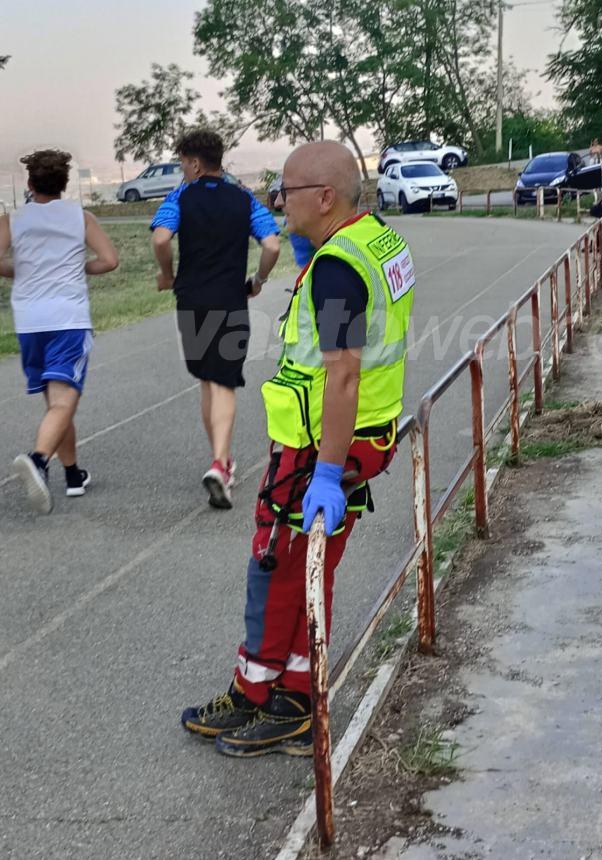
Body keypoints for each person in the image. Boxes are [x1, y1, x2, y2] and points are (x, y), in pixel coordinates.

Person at [180, 140, 415, 758]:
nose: (278, 200)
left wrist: (330, 472)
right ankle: (277, 691)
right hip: (358, 432)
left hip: (324, 444)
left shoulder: (339, 265)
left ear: (326, 198)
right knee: (302, 563)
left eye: (287, 190)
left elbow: (343, 374)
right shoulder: (376, 240)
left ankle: (277, 698)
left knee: (279, 558)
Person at [151, 128, 281, 509]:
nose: (182, 171)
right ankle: (220, 465)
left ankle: (221, 462)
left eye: (182, 164)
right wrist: (258, 280)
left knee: (207, 380)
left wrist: (167, 274)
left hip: (190, 298)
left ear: (194, 162)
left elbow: (160, 239)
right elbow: (272, 244)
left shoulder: (178, 197)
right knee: (223, 381)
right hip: (229, 299)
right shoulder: (244, 199)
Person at [0, 149, 118, 514]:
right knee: (65, 401)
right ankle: (37, 460)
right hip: (68, 318)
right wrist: (78, 267)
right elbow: (110, 260)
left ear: (30, 184)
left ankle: (72, 475)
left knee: (55, 403)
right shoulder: (81, 218)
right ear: (64, 184)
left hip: (30, 320)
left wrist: (25, 270)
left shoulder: (12, 220)